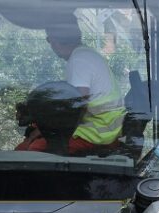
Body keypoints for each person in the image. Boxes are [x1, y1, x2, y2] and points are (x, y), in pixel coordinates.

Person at [42, 19, 125, 156]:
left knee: (33, 149)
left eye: (48, 39)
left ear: (55, 41)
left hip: (96, 134)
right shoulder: (86, 55)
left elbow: (77, 106)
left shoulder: (79, 60)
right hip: (106, 130)